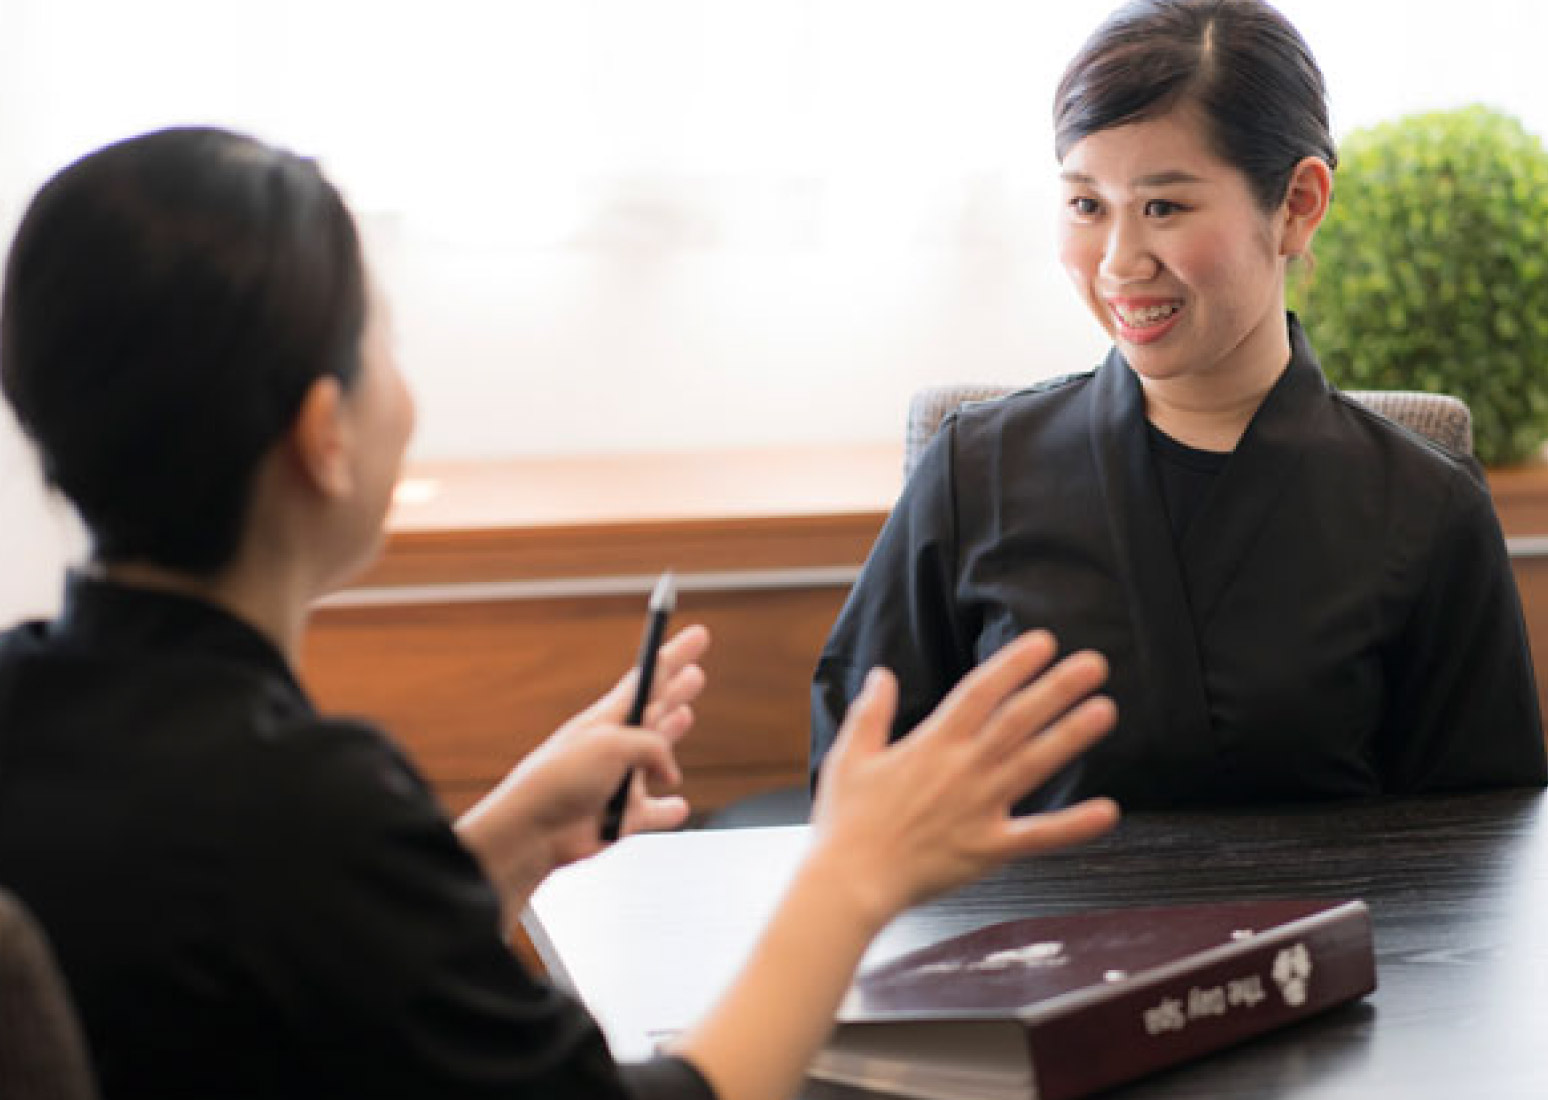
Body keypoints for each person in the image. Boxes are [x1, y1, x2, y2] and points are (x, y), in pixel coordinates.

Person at [0, 127, 1120, 1100]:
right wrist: (851, 876)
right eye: (382, 345)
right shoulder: (303, 807)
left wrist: (499, 844)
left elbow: (243, 965)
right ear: (323, 436)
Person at [812, 0, 1548, 811]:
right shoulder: (973, 469)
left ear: (1298, 203)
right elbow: (857, 790)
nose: (1119, 263)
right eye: (1088, 206)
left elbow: (1481, 837)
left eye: (1163, 207)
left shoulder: (1427, 504)